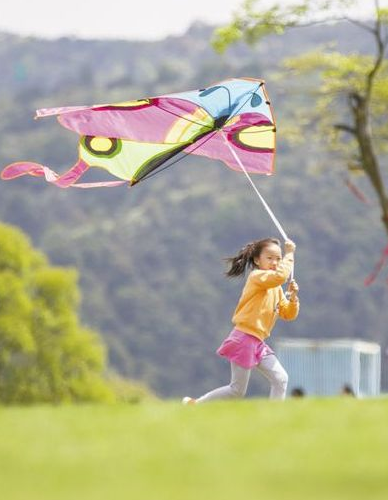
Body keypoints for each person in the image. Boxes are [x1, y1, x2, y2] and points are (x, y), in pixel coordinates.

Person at [182, 238, 299, 404]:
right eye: (270, 258)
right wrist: (290, 254)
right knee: (237, 391)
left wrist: (293, 297)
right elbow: (280, 276)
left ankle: (274, 418)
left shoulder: (276, 288)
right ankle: (196, 404)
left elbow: (288, 314)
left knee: (281, 379)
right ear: (257, 260)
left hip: (258, 342)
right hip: (244, 338)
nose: (275, 262)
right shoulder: (257, 276)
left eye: (278, 259)